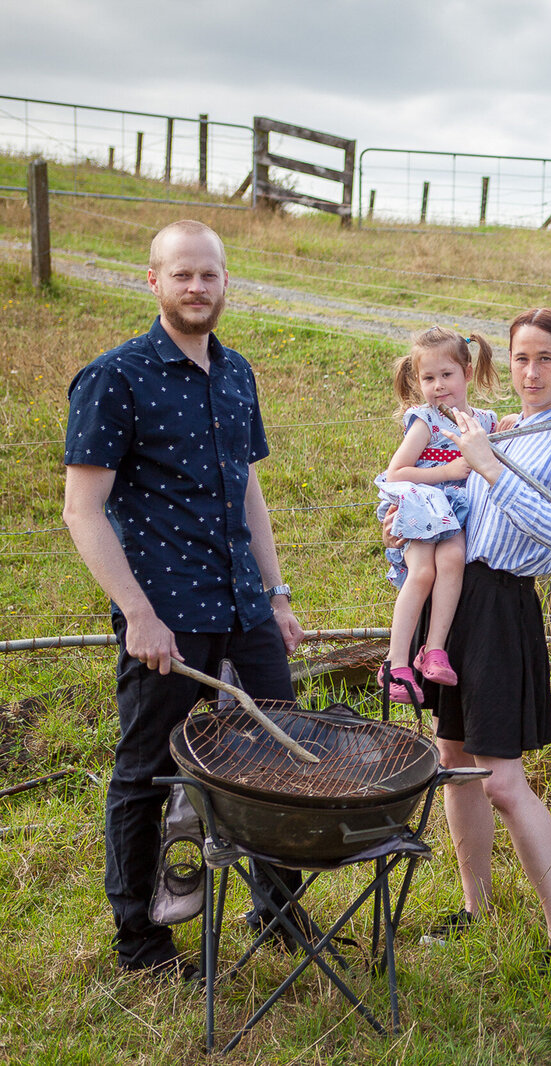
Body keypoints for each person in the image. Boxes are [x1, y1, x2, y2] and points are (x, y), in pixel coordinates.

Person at [63, 219, 306, 980]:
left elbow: (249, 489)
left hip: (244, 606)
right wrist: (137, 612)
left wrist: (276, 592)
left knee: (277, 764)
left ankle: (277, 911)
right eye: (182, 275)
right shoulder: (117, 376)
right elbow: (83, 508)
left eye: (209, 275)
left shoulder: (237, 375)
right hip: (165, 616)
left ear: (226, 282)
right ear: (154, 282)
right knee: (148, 774)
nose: (197, 287)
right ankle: (143, 942)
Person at [399, 308, 551, 947]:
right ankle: (474, 909)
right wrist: (409, 521)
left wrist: (488, 465)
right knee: (452, 756)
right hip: (453, 605)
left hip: (502, 605)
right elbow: (444, 502)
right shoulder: (496, 428)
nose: (531, 371)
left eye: (546, 358)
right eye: (521, 358)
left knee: (502, 779)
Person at [375, 326, 498, 703]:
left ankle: (434, 649)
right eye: (429, 378)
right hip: (419, 504)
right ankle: (396, 663)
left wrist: (506, 424)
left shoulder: (486, 422)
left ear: (467, 371)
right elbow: (396, 472)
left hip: (454, 513)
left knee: (453, 561)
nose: (439, 385)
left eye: (447, 375)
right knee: (423, 571)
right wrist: (446, 472)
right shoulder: (425, 421)